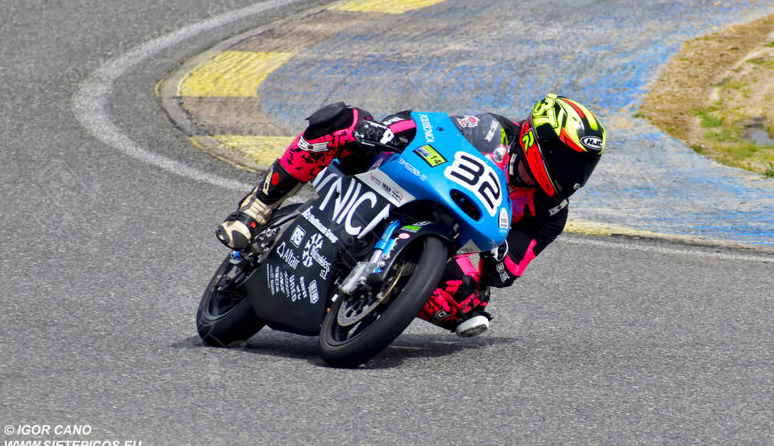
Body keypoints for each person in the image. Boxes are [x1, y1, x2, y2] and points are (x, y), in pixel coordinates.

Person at [216, 94, 606, 337]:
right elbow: (430, 128)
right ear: (537, 138)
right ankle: (257, 208)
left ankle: (376, 295)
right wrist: (385, 132)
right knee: (342, 122)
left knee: (467, 310)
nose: (573, 175)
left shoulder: (551, 213)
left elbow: (507, 272)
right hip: (394, 184)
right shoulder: (489, 131)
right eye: (566, 160)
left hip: (449, 244)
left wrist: (495, 254)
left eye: (582, 167)